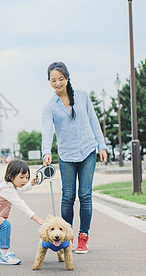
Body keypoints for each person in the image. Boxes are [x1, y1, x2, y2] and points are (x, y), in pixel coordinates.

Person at [41, 62, 107, 254]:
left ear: (67, 78)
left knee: (85, 195)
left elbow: (94, 121)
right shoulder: (49, 107)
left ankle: (83, 237)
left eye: (60, 79)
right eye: (53, 80)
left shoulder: (83, 96)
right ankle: (65, 238)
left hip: (88, 151)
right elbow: (47, 131)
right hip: (67, 155)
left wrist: (101, 145)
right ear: (50, 82)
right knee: (68, 197)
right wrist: (46, 151)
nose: (57, 83)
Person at [0, 158, 47, 265]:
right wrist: (37, 218)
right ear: (11, 176)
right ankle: (4, 253)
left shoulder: (10, 186)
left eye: (27, 177)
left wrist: (31, 184)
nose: (24, 180)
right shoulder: (6, 189)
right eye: (21, 177)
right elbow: (21, 204)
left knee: (3, 225)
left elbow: (19, 191)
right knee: (5, 225)